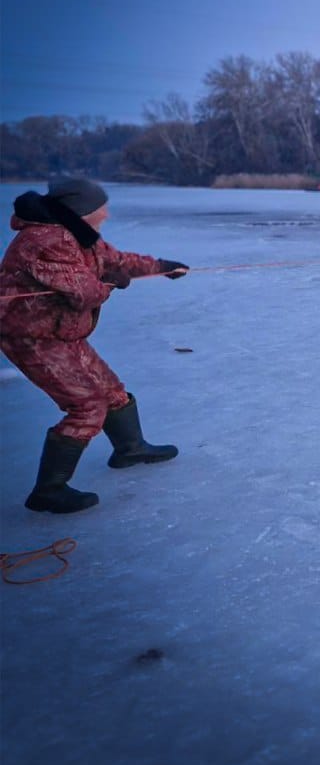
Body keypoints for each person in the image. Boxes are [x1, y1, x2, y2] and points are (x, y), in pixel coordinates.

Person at [0, 179, 189, 514]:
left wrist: (160, 266)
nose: (107, 213)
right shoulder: (45, 242)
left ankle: (129, 449)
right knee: (86, 406)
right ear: (82, 210)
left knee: (111, 391)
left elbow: (115, 261)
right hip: (31, 338)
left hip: (60, 332)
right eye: (102, 207)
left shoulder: (76, 231)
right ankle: (49, 490)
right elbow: (83, 292)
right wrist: (111, 284)